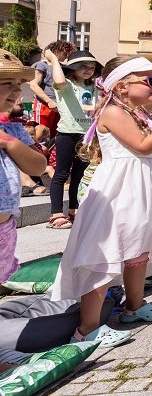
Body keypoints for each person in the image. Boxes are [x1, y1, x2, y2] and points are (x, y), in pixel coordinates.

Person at [51, 56, 152, 347]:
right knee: (107, 253)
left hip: (144, 188)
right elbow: (143, 147)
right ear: (121, 87)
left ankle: (135, 305)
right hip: (121, 191)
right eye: (151, 81)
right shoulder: (114, 113)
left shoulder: (145, 116)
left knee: (138, 248)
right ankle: (88, 328)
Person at [0, 50, 48, 284]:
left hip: (4, 228)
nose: (18, 90)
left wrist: (8, 142)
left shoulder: (13, 130)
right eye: (8, 83)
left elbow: (39, 166)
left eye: (19, 83)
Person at [43, 49, 101, 230]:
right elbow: (59, 80)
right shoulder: (66, 84)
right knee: (61, 173)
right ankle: (56, 213)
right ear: (72, 67)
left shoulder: (94, 87)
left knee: (79, 174)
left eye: (91, 67)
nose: (88, 70)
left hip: (86, 135)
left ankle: (74, 209)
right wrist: (54, 60)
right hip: (67, 134)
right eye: (83, 66)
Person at [28, 41, 75, 137]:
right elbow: (34, 84)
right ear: (56, 51)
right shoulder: (42, 65)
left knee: (54, 134)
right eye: (65, 52)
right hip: (44, 104)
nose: (66, 56)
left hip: (58, 106)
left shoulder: (62, 68)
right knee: (40, 132)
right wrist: (48, 101)